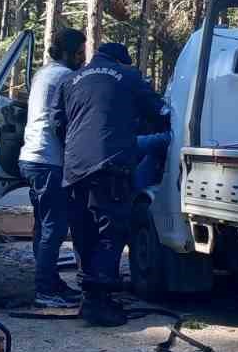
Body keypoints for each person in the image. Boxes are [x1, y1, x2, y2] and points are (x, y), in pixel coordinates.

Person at [51, 41, 167, 327]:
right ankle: (98, 303)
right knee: (111, 233)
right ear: (122, 61)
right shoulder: (128, 77)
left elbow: (57, 125)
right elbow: (160, 113)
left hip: (74, 168)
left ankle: (88, 297)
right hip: (110, 166)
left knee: (84, 233)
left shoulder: (70, 80)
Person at [19, 27, 90, 308]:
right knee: (54, 227)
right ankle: (44, 288)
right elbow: (66, 122)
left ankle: (47, 280)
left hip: (31, 158)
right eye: (80, 53)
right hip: (50, 161)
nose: (83, 59)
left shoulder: (42, 74)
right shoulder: (65, 77)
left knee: (42, 225)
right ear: (69, 52)